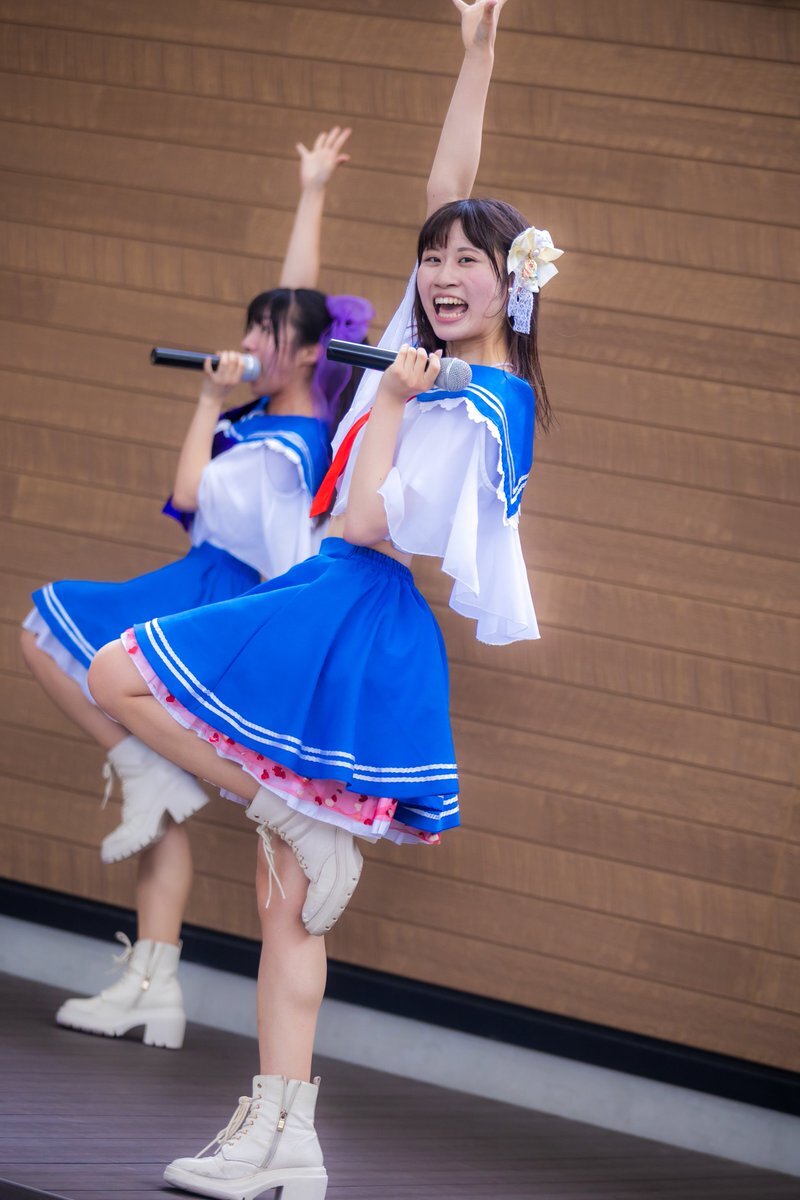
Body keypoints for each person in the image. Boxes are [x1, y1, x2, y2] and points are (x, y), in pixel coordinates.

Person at [89, 1, 564, 1195]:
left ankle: (278, 1122)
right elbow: (450, 186)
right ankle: (285, 1138)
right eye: (432, 259)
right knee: (283, 908)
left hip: (352, 608)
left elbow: (365, 524)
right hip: (328, 601)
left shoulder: (486, 403)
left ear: (510, 288)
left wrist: (395, 399)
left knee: (116, 674)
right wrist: (477, 53)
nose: (440, 274)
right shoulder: (423, 341)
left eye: (467, 264)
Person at [20, 127, 373, 1051]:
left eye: (266, 336)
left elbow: (222, 522)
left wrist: (212, 403)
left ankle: (143, 787)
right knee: (161, 800)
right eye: (251, 328)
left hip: (217, 610)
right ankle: (155, 986)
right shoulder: (273, 421)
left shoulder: (292, 450)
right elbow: (297, 304)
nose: (250, 343)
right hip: (201, 591)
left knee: (46, 627)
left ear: (307, 355)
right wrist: (311, 194)